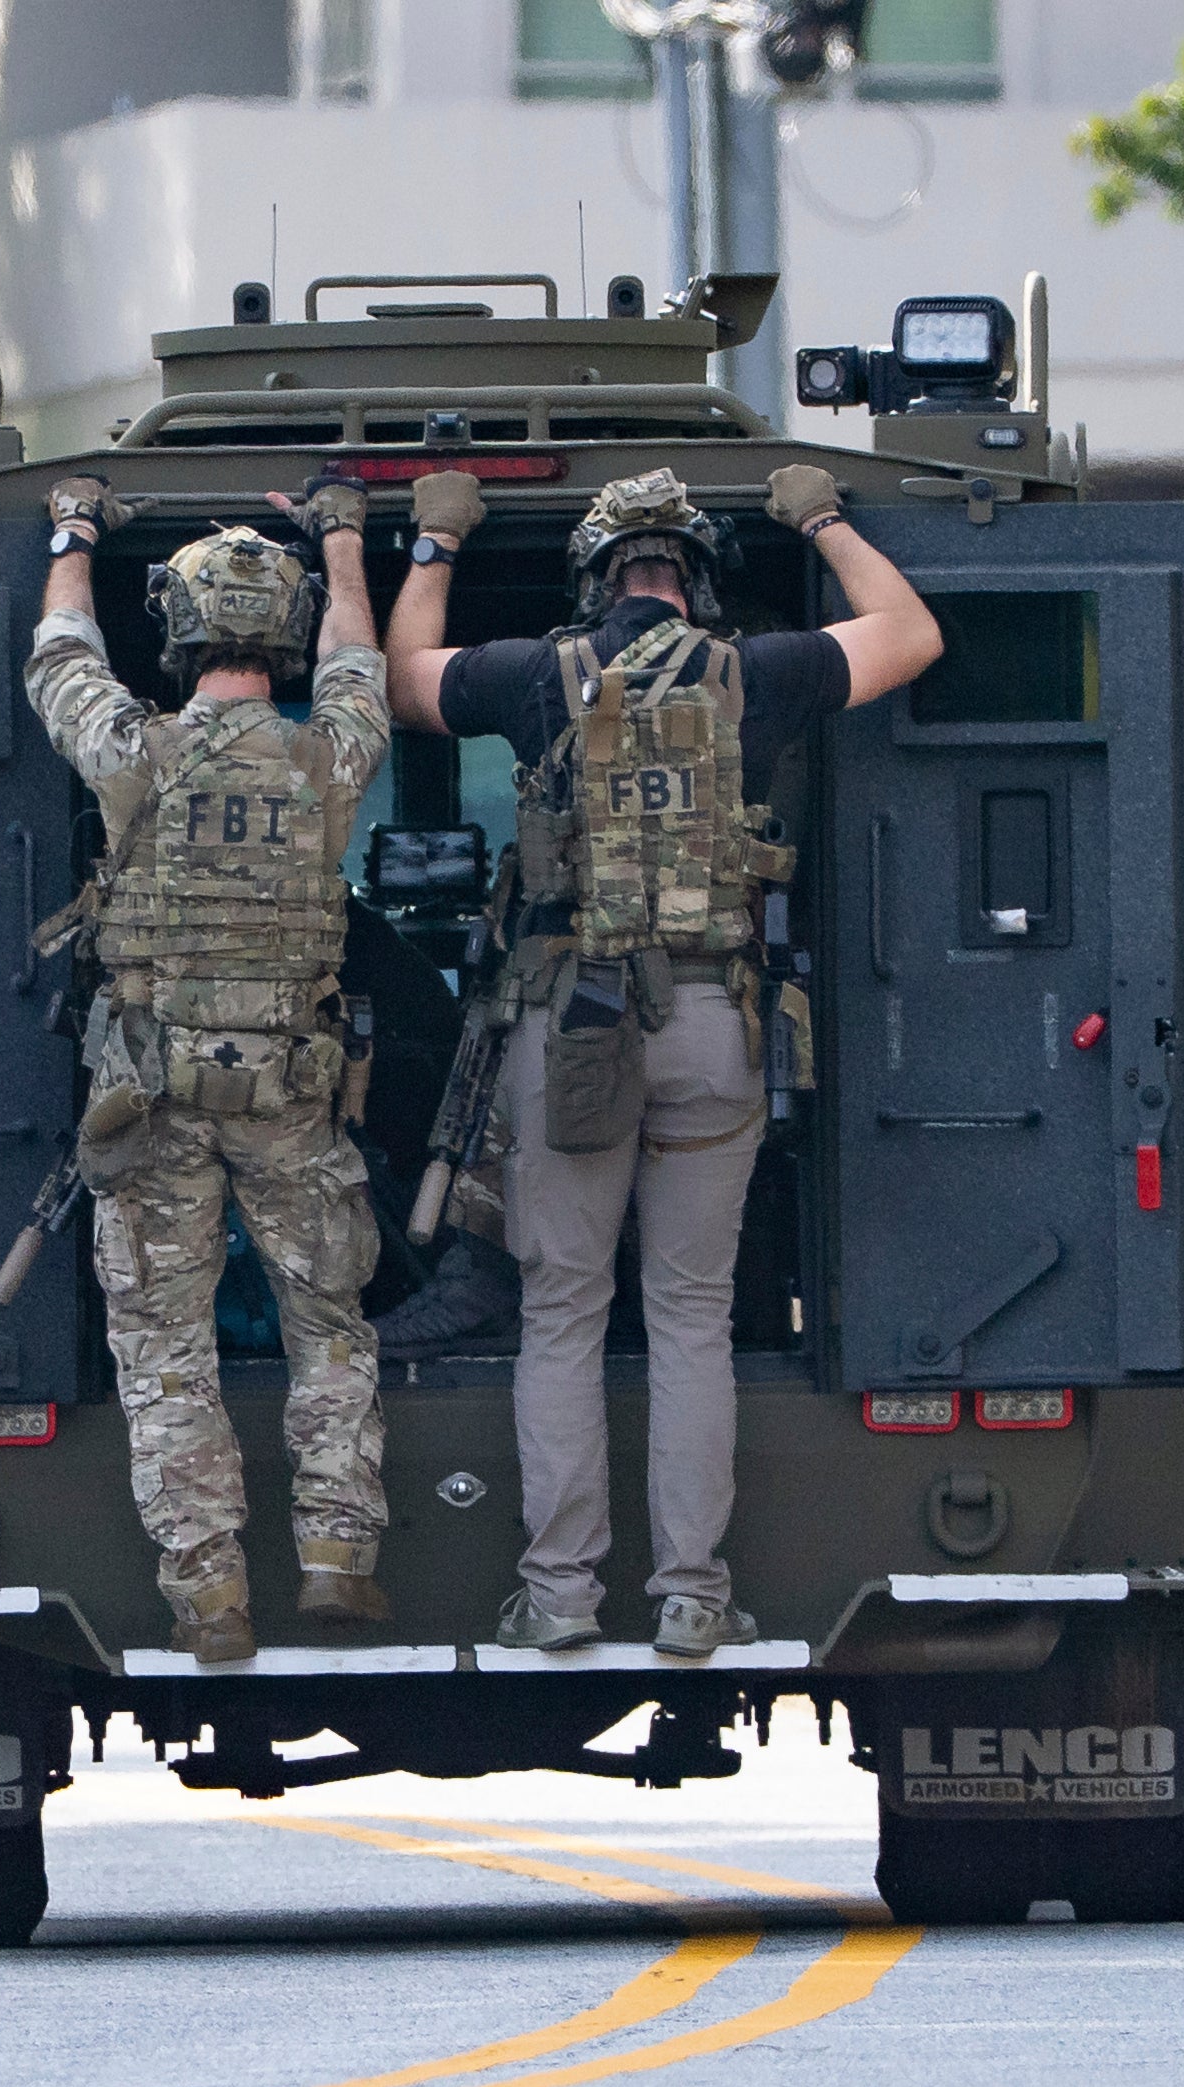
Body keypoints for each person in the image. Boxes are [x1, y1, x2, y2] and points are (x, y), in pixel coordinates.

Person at [386, 462, 943, 1657]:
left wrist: (435, 543)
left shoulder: (542, 673)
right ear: (696, 582)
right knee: (691, 1315)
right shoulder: (761, 673)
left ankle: (561, 1595)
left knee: (564, 1311)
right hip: (711, 1023)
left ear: (596, 585)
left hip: (572, 1031)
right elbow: (912, 632)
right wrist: (824, 519)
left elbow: (404, 682)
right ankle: (692, 1591)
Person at [25, 479, 394, 1663]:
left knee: (165, 1346)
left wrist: (74, 531)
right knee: (329, 1326)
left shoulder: (133, 751)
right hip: (291, 1088)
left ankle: (212, 1596)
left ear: (178, 633)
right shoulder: (330, 760)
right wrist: (342, 534)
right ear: (278, 635)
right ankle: (337, 1555)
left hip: (152, 1093)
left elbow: (60, 657)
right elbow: (358, 661)